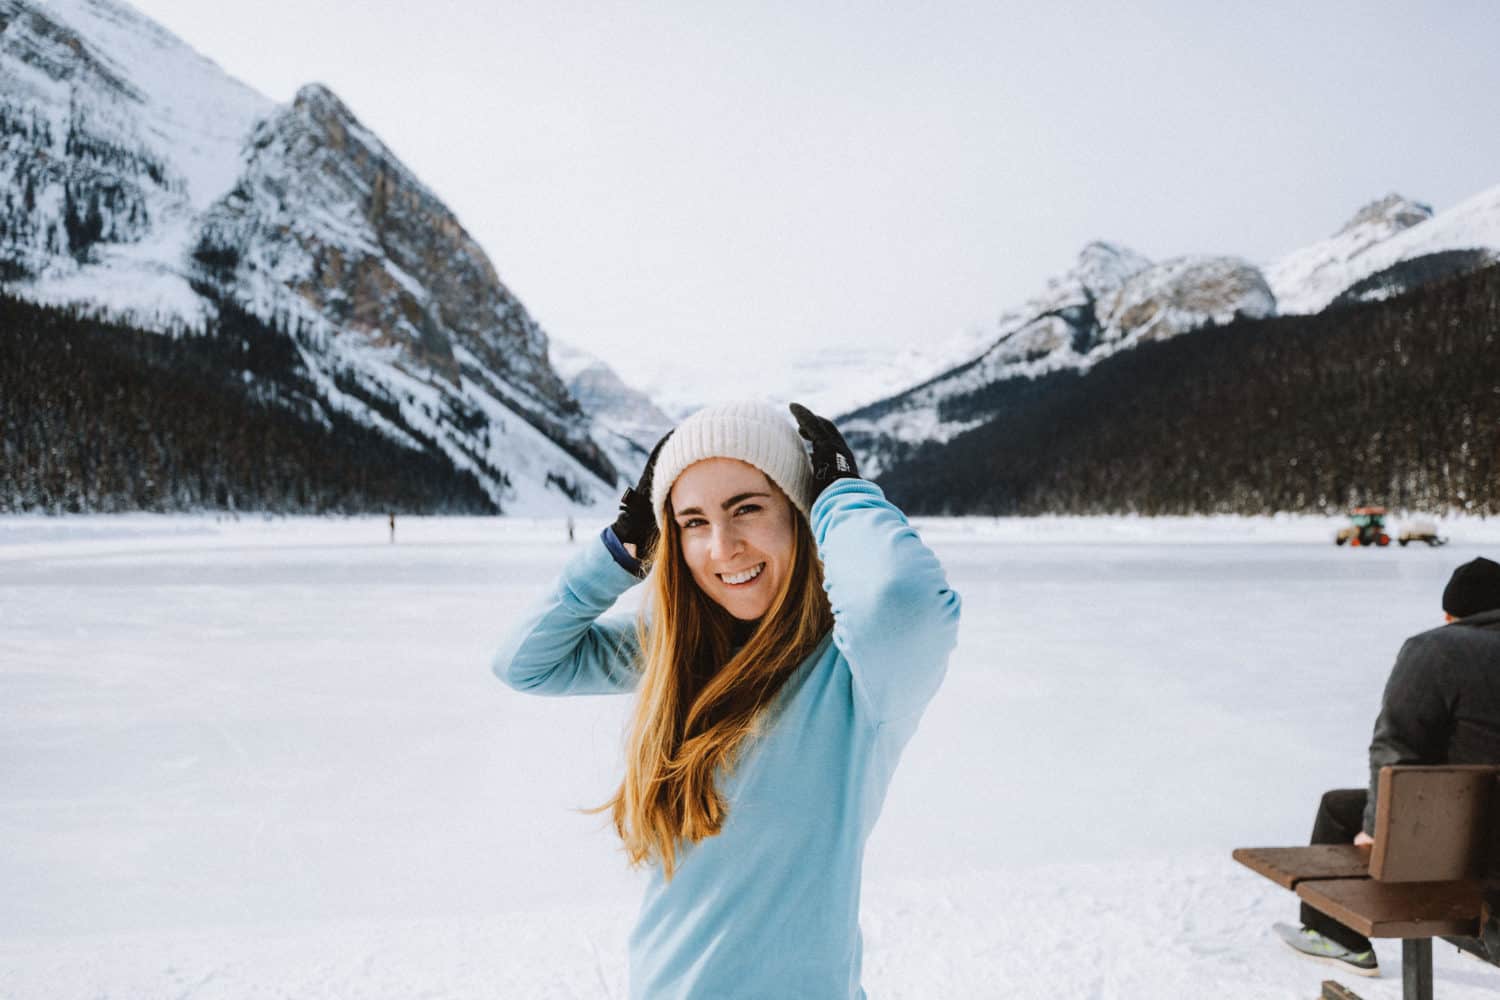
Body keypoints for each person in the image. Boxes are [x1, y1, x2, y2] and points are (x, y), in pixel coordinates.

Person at [492, 400, 961, 999]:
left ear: (799, 515)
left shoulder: (858, 675)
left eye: (748, 509)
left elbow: (902, 601)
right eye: (692, 522)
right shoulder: (679, 655)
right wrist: (621, 549)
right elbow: (524, 662)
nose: (723, 546)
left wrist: (844, 496)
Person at [1274, 556, 1500, 976]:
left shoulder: (1437, 649)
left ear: (1452, 615)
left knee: (1339, 810)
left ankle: (1335, 936)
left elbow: (1397, 748)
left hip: (1473, 867)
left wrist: (1378, 831)